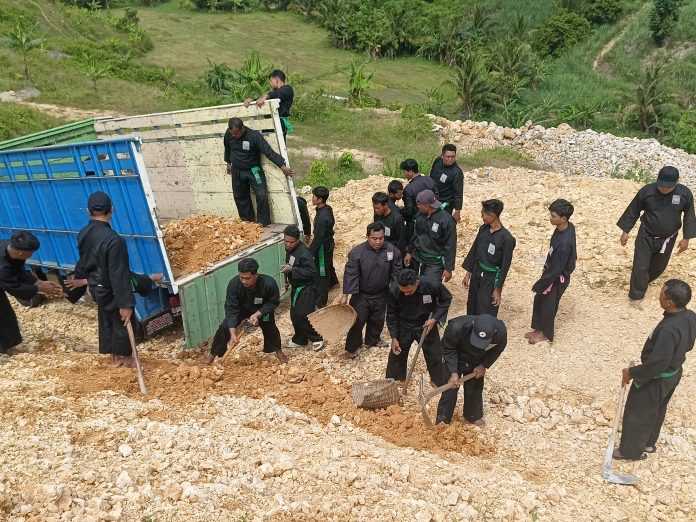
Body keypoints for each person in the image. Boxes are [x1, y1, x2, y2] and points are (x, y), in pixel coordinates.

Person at [614, 279, 696, 461]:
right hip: (673, 373)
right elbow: (688, 345)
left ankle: (630, 451)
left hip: (657, 378)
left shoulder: (668, 330)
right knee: (657, 409)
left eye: (661, 293)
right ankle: (648, 443)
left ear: (670, 302)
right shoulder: (690, 316)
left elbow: (657, 364)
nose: (658, 295)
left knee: (638, 412)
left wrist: (632, 373)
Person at [70, 192, 136, 368]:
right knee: (122, 322)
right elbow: (118, 274)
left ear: (88, 211)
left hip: (96, 287)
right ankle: (128, 360)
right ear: (112, 210)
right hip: (111, 288)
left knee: (106, 320)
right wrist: (125, 303)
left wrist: (79, 284)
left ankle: (116, 359)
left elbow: (83, 261)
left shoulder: (83, 233)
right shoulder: (114, 240)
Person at [616, 166, 695, 305]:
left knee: (659, 266)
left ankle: (644, 280)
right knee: (640, 265)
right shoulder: (647, 191)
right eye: (661, 185)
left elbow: (689, 216)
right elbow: (633, 210)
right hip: (646, 235)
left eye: (668, 187)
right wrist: (625, 232)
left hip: (668, 238)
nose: (664, 189)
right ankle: (636, 295)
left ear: (676, 183)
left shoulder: (684, 194)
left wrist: (686, 238)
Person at [201, 257, 288, 365]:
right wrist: (233, 333)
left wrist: (257, 314)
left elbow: (273, 302)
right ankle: (212, 355)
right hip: (241, 309)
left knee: (270, 327)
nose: (243, 281)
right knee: (224, 327)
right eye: (241, 277)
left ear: (256, 275)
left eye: (247, 278)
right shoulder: (234, 284)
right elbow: (231, 309)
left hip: (262, 309)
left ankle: (279, 352)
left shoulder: (269, 283)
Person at [339, 223, 402, 358]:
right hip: (361, 294)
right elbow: (350, 274)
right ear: (367, 236)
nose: (378, 242)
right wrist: (345, 294)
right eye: (374, 238)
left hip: (381, 292)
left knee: (378, 318)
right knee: (358, 321)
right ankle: (352, 347)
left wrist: (395, 292)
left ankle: (373, 339)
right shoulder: (357, 253)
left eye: (381, 238)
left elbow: (396, 274)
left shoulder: (392, 251)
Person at [436, 314, 508, 427]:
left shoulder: (500, 332)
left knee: (475, 387)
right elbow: (448, 349)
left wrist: (484, 365)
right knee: (450, 387)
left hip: (477, 360)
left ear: (494, 332)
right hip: (456, 356)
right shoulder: (456, 327)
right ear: (473, 325)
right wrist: (453, 372)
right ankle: (443, 418)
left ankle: (472, 415)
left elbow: (497, 350)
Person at [0, 231, 63, 356]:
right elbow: (15, 288)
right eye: (31, 253)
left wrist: (38, 282)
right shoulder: (2, 267)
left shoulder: (11, 247)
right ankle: (5, 349)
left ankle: (6, 347)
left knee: (6, 315)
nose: (31, 255)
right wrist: (41, 288)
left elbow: (19, 270)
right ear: (21, 253)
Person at [385, 269, 451, 387]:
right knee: (397, 351)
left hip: (426, 324)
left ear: (417, 283)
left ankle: (438, 380)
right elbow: (391, 314)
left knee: (434, 353)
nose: (406, 294)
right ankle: (396, 379)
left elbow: (446, 299)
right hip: (404, 324)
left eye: (409, 291)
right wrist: (394, 337)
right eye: (403, 291)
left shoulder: (432, 284)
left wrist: (434, 319)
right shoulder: (394, 289)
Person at [223, 117, 293, 226]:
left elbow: (268, 151)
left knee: (261, 194)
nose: (233, 135)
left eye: (235, 133)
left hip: (254, 170)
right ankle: (247, 222)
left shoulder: (254, 136)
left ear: (242, 128)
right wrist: (228, 162)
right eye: (232, 133)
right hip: (237, 171)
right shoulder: (229, 134)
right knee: (240, 196)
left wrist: (282, 166)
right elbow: (227, 148)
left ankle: (263, 223)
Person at [526, 199, 577, 344]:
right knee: (539, 299)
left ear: (563, 218)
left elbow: (557, 268)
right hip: (551, 271)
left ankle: (545, 333)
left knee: (548, 305)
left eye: (553, 216)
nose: (550, 218)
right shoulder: (565, 227)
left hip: (556, 277)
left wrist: (541, 283)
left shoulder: (564, 243)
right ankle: (538, 328)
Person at [462, 199, 516, 316]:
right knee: (472, 305)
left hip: (491, 279)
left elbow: (504, 267)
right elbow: (474, 250)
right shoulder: (483, 229)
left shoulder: (506, 239)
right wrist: (468, 273)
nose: (481, 217)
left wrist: (498, 289)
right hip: (477, 272)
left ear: (492, 216)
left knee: (485, 310)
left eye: (483, 214)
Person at [281, 225, 324, 351]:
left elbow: (311, 272)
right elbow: (288, 264)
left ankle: (317, 338)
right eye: (286, 241)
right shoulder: (289, 249)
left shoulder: (304, 253)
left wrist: (292, 270)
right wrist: (286, 279)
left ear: (298, 240)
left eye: (291, 242)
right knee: (294, 314)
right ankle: (300, 339)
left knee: (303, 314)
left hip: (307, 287)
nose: (288, 244)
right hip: (296, 286)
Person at [404, 189, 456, 283]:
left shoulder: (446, 220)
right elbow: (415, 234)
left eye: (419, 204)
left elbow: (450, 245)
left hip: (435, 262)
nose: (417, 206)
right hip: (418, 257)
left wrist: (448, 268)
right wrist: (409, 252)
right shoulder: (420, 215)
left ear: (427, 206)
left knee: (430, 286)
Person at [244, 70, 294, 139]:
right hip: (268, 123)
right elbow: (262, 99)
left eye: (271, 80)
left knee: (277, 145)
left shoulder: (287, 89)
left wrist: (266, 95)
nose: (270, 84)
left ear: (277, 80)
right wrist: (252, 100)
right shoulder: (274, 93)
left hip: (279, 123)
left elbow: (278, 93)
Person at [308, 186, 336, 307]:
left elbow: (318, 238)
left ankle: (320, 303)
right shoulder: (327, 208)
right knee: (328, 265)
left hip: (322, 248)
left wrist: (310, 253)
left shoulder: (321, 218)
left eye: (314, 196)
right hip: (328, 243)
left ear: (319, 200)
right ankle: (333, 282)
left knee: (322, 274)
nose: (312, 198)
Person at [400, 159, 438, 245]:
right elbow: (437, 198)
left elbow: (409, 211)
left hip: (415, 223)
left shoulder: (408, 189)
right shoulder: (430, 180)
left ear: (410, 172)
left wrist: (401, 212)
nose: (404, 174)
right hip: (432, 219)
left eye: (405, 172)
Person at [429, 143, 464, 223]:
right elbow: (431, 175)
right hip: (433, 198)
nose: (450, 159)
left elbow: (458, 193)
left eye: (453, 157)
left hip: (445, 204)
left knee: (442, 224)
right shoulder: (437, 161)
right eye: (448, 157)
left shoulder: (456, 172)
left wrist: (457, 211)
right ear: (442, 156)